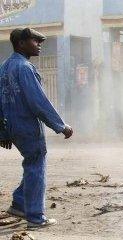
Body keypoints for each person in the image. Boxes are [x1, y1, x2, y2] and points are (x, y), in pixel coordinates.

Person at [0, 27, 73, 228]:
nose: (39, 44)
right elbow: (38, 102)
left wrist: (3, 132)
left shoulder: (4, 67)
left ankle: (19, 203)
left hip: (12, 126)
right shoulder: (24, 68)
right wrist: (60, 126)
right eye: (35, 41)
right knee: (36, 164)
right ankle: (35, 217)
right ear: (21, 43)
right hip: (27, 125)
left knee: (32, 161)